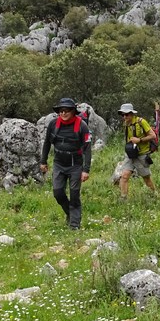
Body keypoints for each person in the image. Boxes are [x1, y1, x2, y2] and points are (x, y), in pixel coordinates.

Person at [40, 98, 92, 230]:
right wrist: (43, 161)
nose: (63, 113)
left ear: (73, 111)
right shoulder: (53, 124)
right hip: (59, 164)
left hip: (75, 165)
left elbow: (87, 148)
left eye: (66, 110)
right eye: (61, 111)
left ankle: (74, 225)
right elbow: (47, 143)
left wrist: (86, 170)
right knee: (58, 193)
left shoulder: (82, 126)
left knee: (74, 194)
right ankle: (70, 213)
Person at [118, 103, 157, 200]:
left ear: (132, 114)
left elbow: (153, 136)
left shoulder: (141, 122)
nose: (124, 117)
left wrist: (139, 140)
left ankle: (154, 195)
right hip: (130, 154)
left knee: (146, 177)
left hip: (142, 154)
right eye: (123, 115)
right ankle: (123, 198)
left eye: (126, 114)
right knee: (124, 176)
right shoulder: (126, 124)